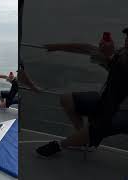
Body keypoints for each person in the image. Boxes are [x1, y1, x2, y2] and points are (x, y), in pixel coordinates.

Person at [36, 28, 128, 157]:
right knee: (67, 99)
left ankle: (61, 145)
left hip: (123, 111)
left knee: (100, 125)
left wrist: (109, 56)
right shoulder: (122, 53)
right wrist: (57, 47)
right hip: (107, 101)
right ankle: (85, 141)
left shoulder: (121, 58)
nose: (126, 40)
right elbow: (87, 48)